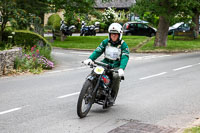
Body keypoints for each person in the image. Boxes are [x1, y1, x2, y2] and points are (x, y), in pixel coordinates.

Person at [83, 23, 129, 104]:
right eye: (112, 34)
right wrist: (90, 59)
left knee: (116, 76)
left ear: (119, 35)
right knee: (95, 71)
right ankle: (88, 90)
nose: (113, 36)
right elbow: (98, 51)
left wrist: (121, 68)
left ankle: (112, 96)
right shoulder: (105, 42)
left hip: (116, 65)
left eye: (115, 34)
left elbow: (125, 57)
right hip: (105, 62)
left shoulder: (123, 45)